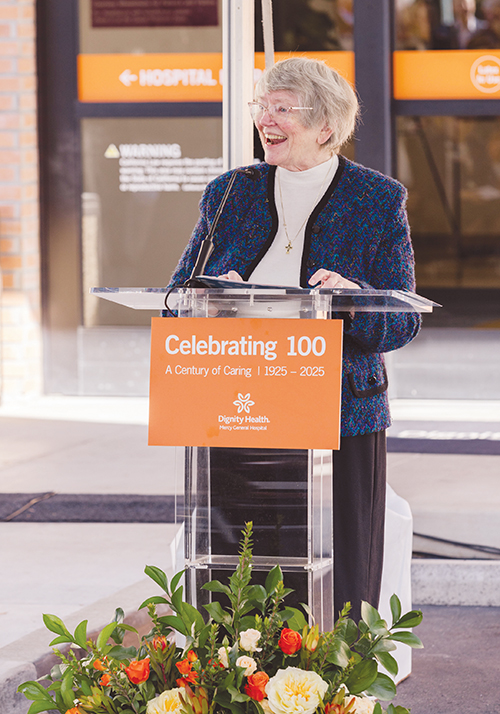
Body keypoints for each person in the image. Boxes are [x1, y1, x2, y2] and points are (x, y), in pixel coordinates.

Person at [168, 57, 421, 621]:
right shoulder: (229, 193)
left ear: (326, 126)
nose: (265, 120)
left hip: (338, 413)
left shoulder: (377, 199)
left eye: (282, 109)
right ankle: (237, 663)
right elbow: (176, 295)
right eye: (262, 107)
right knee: (238, 565)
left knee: (340, 571)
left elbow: (401, 321)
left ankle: (335, 666)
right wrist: (212, 295)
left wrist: (352, 298)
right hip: (238, 407)